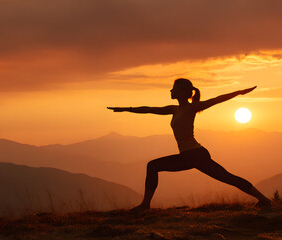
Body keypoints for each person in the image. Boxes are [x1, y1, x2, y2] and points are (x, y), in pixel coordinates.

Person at [107, 78, 271, 211]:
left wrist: (240, 92)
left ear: (182, 92)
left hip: (194, 155)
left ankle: (145, 205)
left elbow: (217, 99)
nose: (170, 91)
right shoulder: (174, 109)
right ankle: (263, 199)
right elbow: (149, 109)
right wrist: (125, 109)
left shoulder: (193, 107)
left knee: (153, 166)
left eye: (173, 88)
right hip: (192, 155)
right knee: (227, 177)